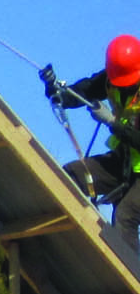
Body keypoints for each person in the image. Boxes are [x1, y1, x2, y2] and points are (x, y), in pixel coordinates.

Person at [44, 35, 140, 244]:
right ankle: (59, 244)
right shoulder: (112, 78)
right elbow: (86, 89)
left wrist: (112, 122)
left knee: (125, 215)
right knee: (72, 176)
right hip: (124, 163)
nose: (123, 87)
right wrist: (60, 95)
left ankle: (129, 276)